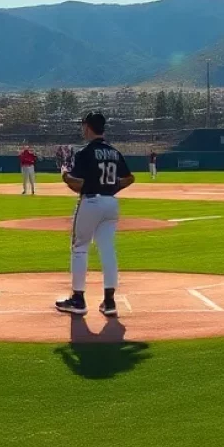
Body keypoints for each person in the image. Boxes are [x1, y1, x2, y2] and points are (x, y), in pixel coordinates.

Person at [56, 112, 134, 318]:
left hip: (91, 202)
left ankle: (78, 299)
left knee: (79, 248)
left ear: (88, 127)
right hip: (111, 203)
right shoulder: (114, 152)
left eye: (83, 125)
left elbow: (77, 184)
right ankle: (109, 302)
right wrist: (112, 188)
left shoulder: (85, 153)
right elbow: (129, 178)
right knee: (107, 250)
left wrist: (64, 173)